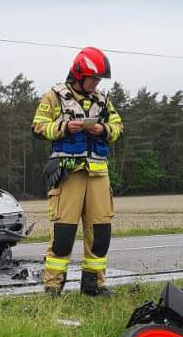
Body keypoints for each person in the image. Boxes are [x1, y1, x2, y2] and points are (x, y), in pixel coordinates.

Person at [31, 47, 123, 296]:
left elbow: (118, 128)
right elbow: (38, 127)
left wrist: (102, 130)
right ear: (79, 74)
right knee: (63, 234)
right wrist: (65, 127)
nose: (96, 83)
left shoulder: (103, 101)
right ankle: (53, 287)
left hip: (98, 174)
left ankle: (93, 286)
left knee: (101, 233)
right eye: (93, 78)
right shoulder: (54, 96)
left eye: (99, 80)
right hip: (68, 172)